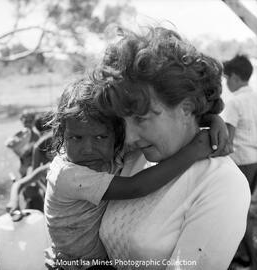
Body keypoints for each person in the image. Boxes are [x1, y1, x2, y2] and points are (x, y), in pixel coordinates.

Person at [94, 27, 251, 270]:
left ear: (186, 107)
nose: (128, 137)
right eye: (122, 120)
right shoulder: (134, 157)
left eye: (141, 119)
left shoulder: (222, 184)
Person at [44, 77, 229, 270]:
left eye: (100, 137)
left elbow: (160, 122)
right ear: (61, 134)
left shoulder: (112, 148)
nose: (88, 148)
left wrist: (212, 119)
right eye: (76, 138)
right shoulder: (69, 175)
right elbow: (136, 186)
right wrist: (194, 151)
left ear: (117, 133)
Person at [221, 55, 257, 269]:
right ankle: (245, 256)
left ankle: (251, 260)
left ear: (234, 77)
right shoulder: (254, 97)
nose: (226, 83)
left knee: (236, 214)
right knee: (243, 212)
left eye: (227, 78)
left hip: (241, 162)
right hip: (255, 160)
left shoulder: (234, 102)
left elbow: (228, 142)